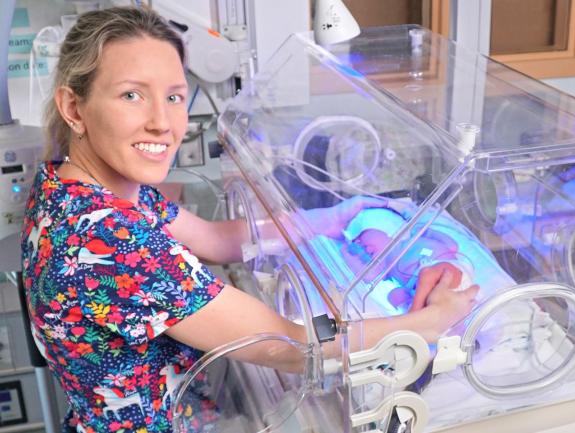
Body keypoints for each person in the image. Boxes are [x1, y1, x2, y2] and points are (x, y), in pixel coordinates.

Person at [20, 7, 478, 433]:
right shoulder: (112, 239)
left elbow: (217, 240)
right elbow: (292, 347)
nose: (163, 122)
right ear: (74, 107)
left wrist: (335, 217)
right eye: (131, 95)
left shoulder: (73, 190)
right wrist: (429, 323)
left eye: (175, 96)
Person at [341, 207, 475, 312]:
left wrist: (427, 232)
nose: (362, 248)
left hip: (450, 274)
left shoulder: (413, 239)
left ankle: (415, 316)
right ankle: (426, 314)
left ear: (386, 233)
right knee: (395, 296)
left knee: (431, 274)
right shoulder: (385, 269)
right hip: (423, 295)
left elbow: (452, 246)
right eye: (358, 247)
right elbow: (367, 276)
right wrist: (346, 251)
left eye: (362, 238)